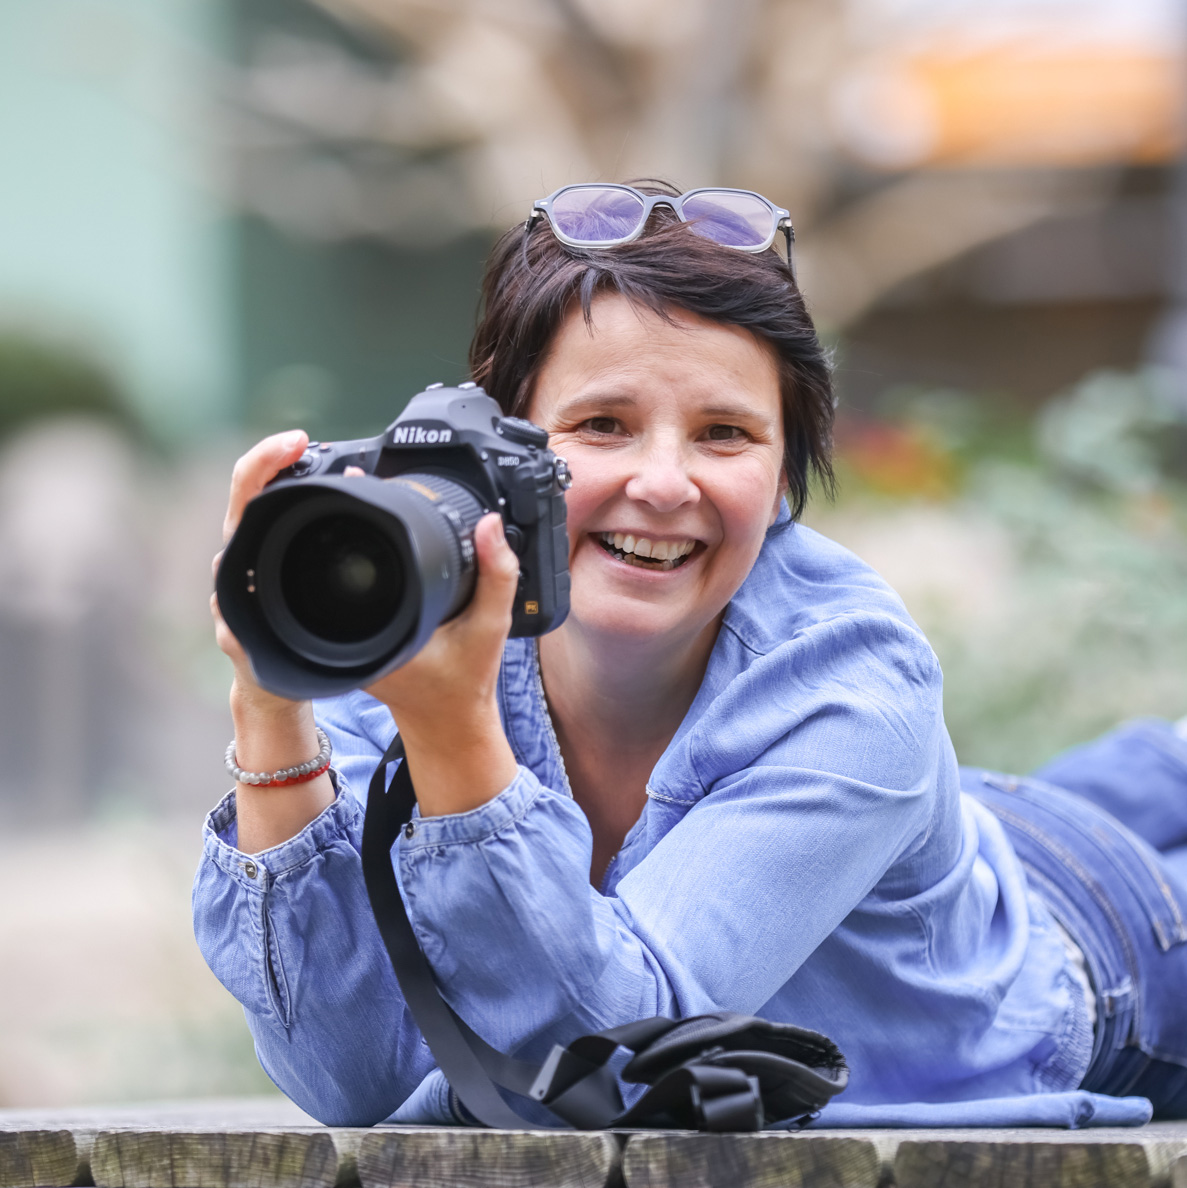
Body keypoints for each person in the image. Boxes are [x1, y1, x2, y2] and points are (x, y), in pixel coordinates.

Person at [194, 181, 1187, 1128]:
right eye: (601, 425)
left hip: (1087, 948)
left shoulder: (853, 679)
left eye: (724, 434)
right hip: (905, 847)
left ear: (785, 472)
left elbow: (618, 1046)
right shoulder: (425, 617)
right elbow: (348, 1073)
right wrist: (273, 686)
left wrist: (452, 741)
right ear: (504, 451)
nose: (664, 483)